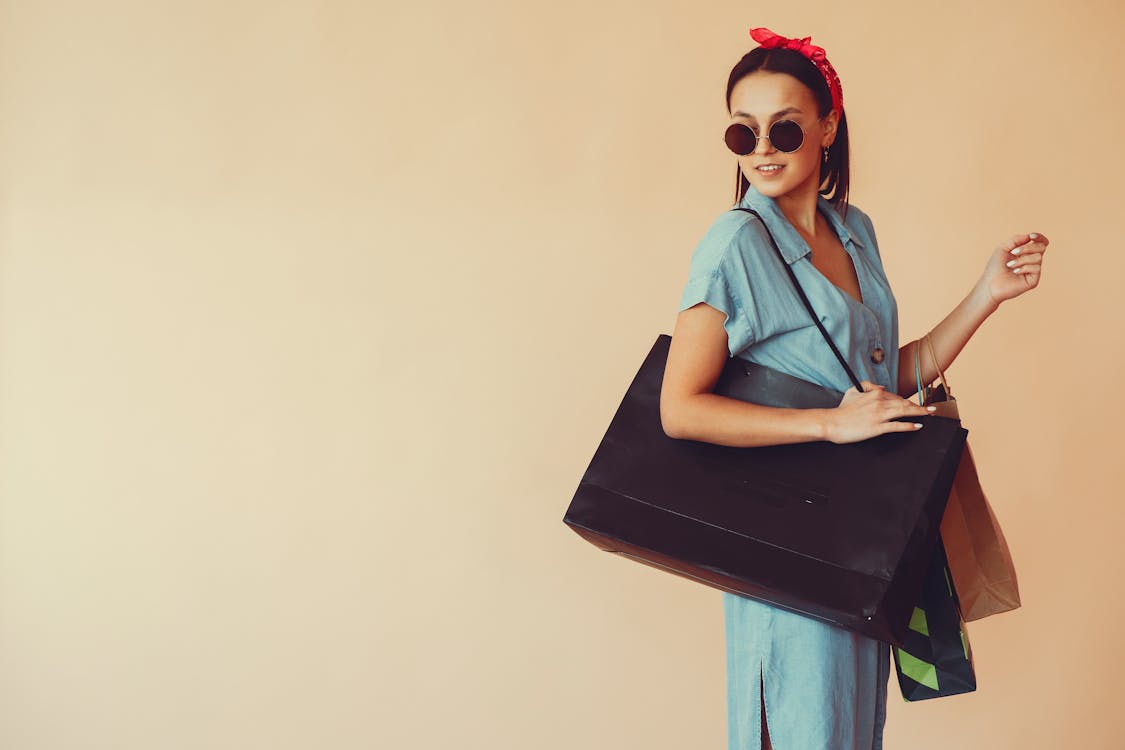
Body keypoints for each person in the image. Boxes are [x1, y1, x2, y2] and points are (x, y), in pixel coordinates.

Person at [658, 26, 1047, 750]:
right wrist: (826, 426)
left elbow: (875, 386)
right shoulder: (734, 242)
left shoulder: (854, 230)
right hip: (788, 538)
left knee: (851, 732)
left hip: (861, 536)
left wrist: (984, 295)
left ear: (827, 127)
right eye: (742, 134)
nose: (763, 148)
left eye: (783, 127)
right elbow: (680, 409)